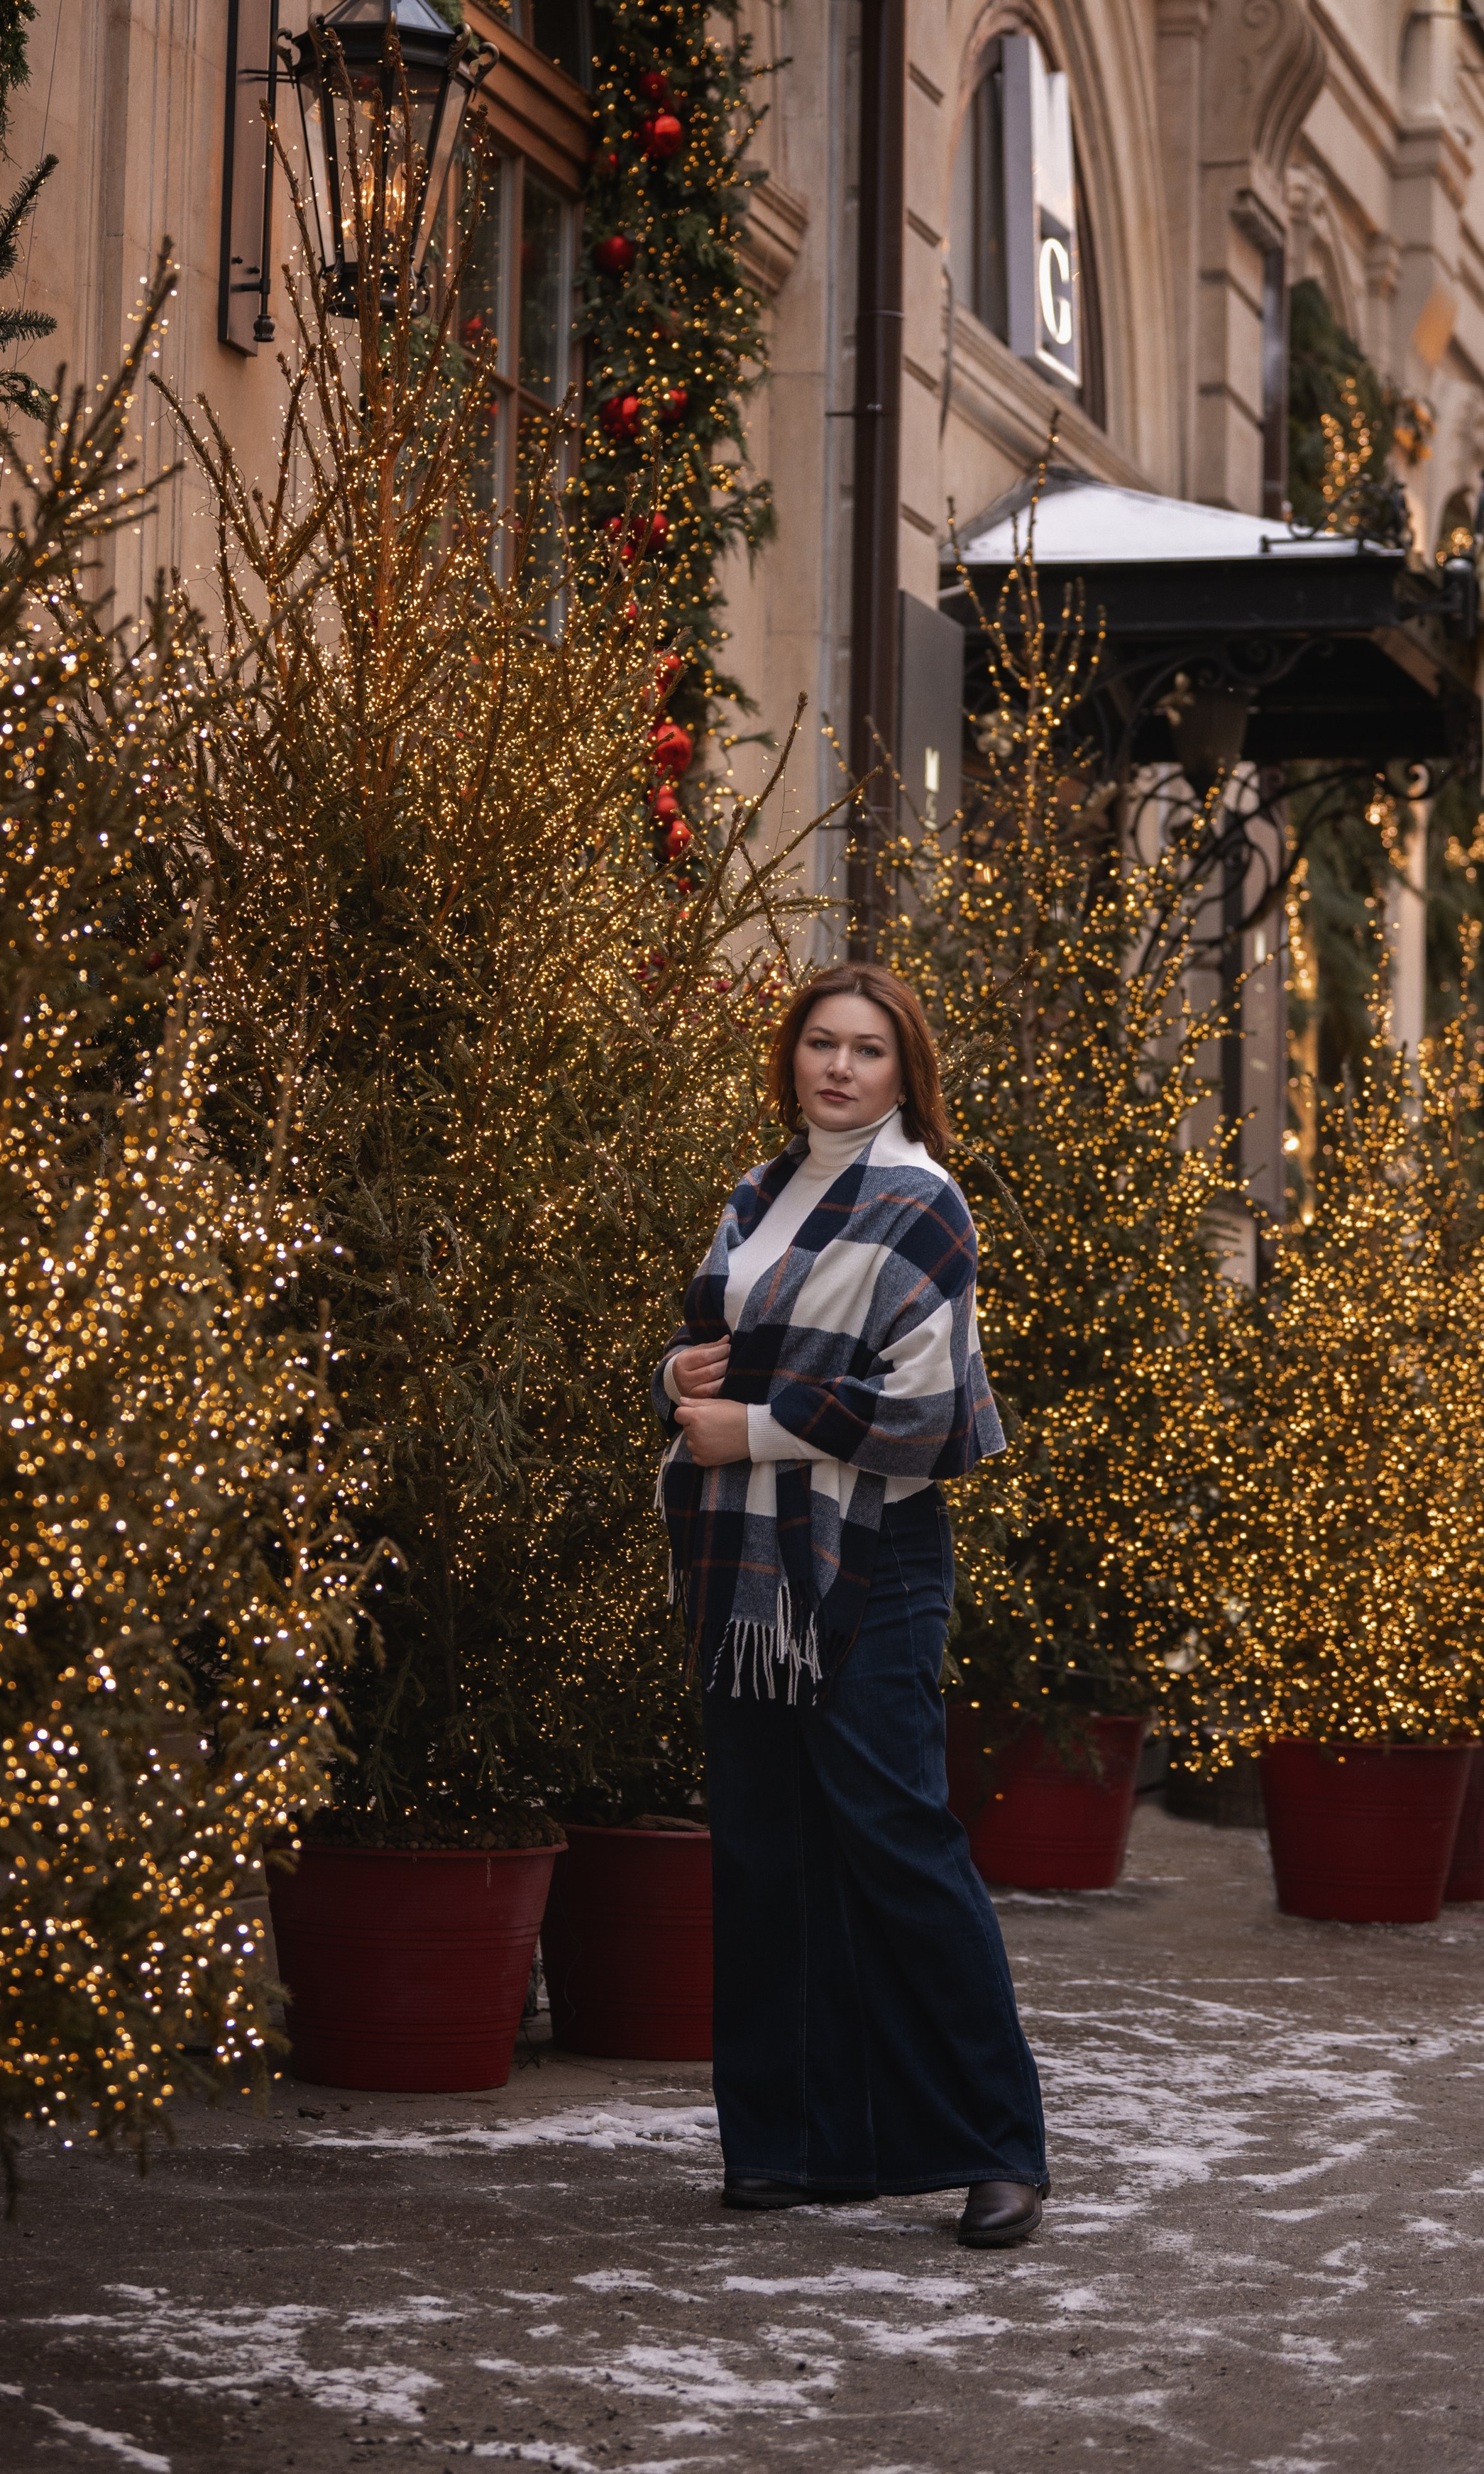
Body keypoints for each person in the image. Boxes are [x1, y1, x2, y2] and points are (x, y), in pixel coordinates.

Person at [656, 961, 1048, 2247]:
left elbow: (926, 1417)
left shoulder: (924, 1204)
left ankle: (996, 2146)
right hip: (745, 1567)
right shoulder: (758, 1193)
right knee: (768, 1852)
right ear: (793, 1060)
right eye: (820, 1043)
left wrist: (749, 1427)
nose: (839, 1067)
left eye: (866, 1050)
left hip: (871, 1556)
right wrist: (677, 1374)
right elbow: (727, 1354)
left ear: (903, 1070)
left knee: (895, 1836)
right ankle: (790, 2142)